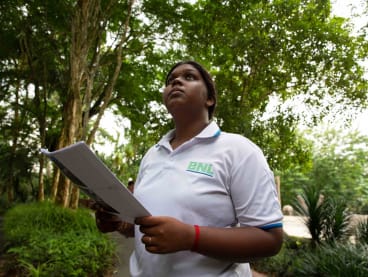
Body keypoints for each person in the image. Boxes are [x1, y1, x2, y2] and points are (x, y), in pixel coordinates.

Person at [95, 61, 283, 276]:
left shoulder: (238, 150)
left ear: (209, 99)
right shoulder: (152, 155)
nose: (175, 81)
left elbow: (270, 239)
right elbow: (144, 226)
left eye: (189, 77)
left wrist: (191, 237)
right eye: (170, 80)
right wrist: (119, 223)